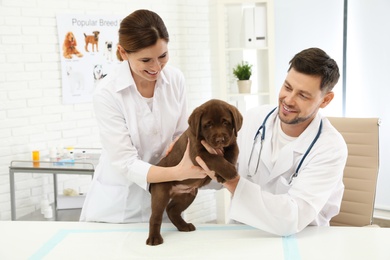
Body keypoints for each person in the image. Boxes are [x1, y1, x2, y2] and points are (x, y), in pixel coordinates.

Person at [196, 47, 348, 236]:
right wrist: (192, 168)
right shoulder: (253, 119)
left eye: (302, 95)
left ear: (325, 100)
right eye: (287, 87)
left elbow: (292, 218)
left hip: (301, 239)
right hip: (243, 233)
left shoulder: (330, 148)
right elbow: (217, 178)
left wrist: (232, 181)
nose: (289, 100)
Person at [80, 9, 207, 223]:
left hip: (165, 201)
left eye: (163, 56)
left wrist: (182, 161)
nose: (157, 67)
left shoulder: (175, 79)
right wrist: (178, 173)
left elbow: (180, 133)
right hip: (119, 209)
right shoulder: (107, 93)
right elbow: (126, 162)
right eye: (146, 60)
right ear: (122, 52)